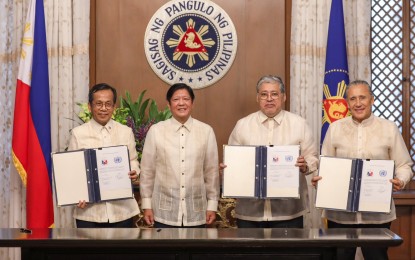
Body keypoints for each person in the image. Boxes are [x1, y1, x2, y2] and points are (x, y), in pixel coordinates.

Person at [312, 80, 413, 260]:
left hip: (376, 215)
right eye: (353, 99)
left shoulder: (389, 128)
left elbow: (404, 165)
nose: (358, 103)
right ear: (347, 103)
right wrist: (319, 180)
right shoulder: (335, 128)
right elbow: (324, 166)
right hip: (340, 215)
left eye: (362, 98)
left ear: (372, 100)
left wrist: (401, 180)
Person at [224, 75, 319, 228]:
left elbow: (312, 157)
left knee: (287, 253)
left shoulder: (299, 124)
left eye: (274, 94)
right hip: (250, 213)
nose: (269, 99)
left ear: (284, 97)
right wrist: (229, 170)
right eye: (264, 94)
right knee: (251, 253)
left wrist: (305, 165)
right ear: (257, 98)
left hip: (289, 212)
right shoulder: (242, 125)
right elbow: (232, 163)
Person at [140, 83, 220, 228]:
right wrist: (146, 205)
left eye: (186, 99)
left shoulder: (206, 131)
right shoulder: (156, 131)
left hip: (197, 211)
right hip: (163, 212)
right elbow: (147, 171)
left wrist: (212, 205)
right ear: (169, 105)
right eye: (176, 99)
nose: (181, 103)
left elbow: (211, 172)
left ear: (192, 103)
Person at [68, 83, 140, 228]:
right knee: (90, 252)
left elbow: (133, 160)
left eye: (108, 104)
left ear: (114, 107)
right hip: (89, 212)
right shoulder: (78, 134)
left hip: (122, 211)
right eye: (98, 104)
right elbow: (73, 170)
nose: (103, 108)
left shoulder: (125, 132)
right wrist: (77, 195)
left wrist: (134, 172)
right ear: (90, 106)